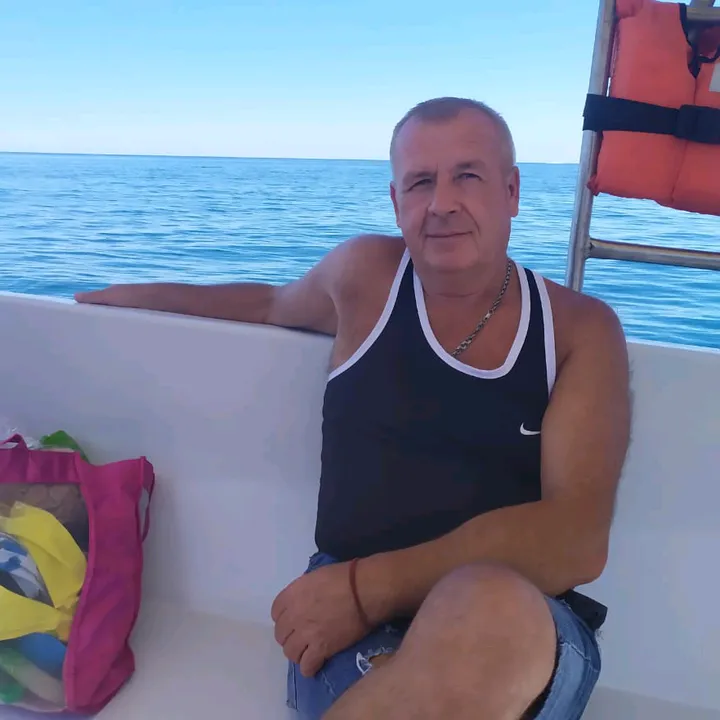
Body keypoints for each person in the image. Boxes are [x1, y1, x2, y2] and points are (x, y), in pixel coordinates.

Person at [75, 97, 631, 719]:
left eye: (467, 176)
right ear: (396, 202)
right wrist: (134, 296)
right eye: (420, 182)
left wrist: (369, 589)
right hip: (347, 616)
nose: (442, 203)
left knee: (485, 610)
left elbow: (577, 539)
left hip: (511, 622)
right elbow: (268, 305)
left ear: (512, 192)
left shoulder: (577, 330)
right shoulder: (366, 277)